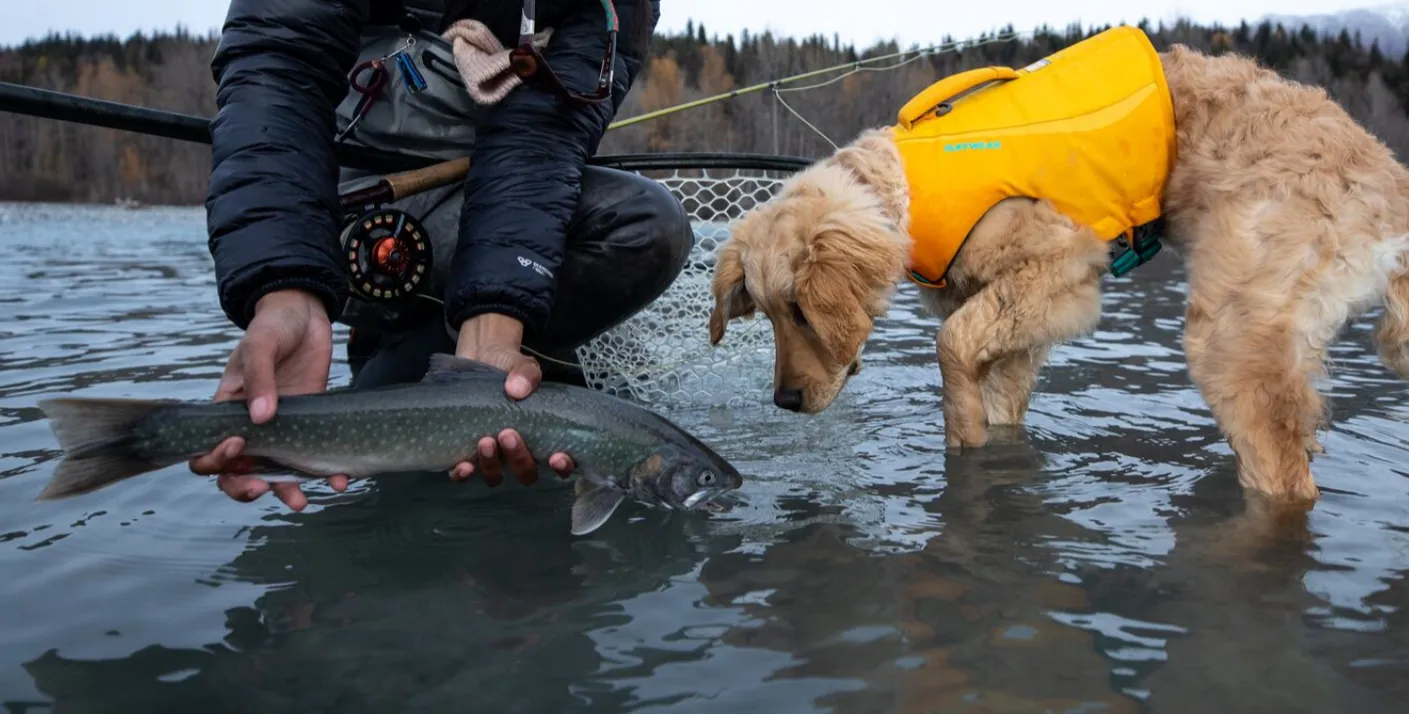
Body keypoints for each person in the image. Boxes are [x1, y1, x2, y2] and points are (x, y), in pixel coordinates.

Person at [189, 0, 691, 510]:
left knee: (642, 226)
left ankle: (425, 366)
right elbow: (277, 66)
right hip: (342, 214)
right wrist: (283, 290)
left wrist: (495, 323)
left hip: (491, 202)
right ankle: (389, 358)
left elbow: (541, 140)